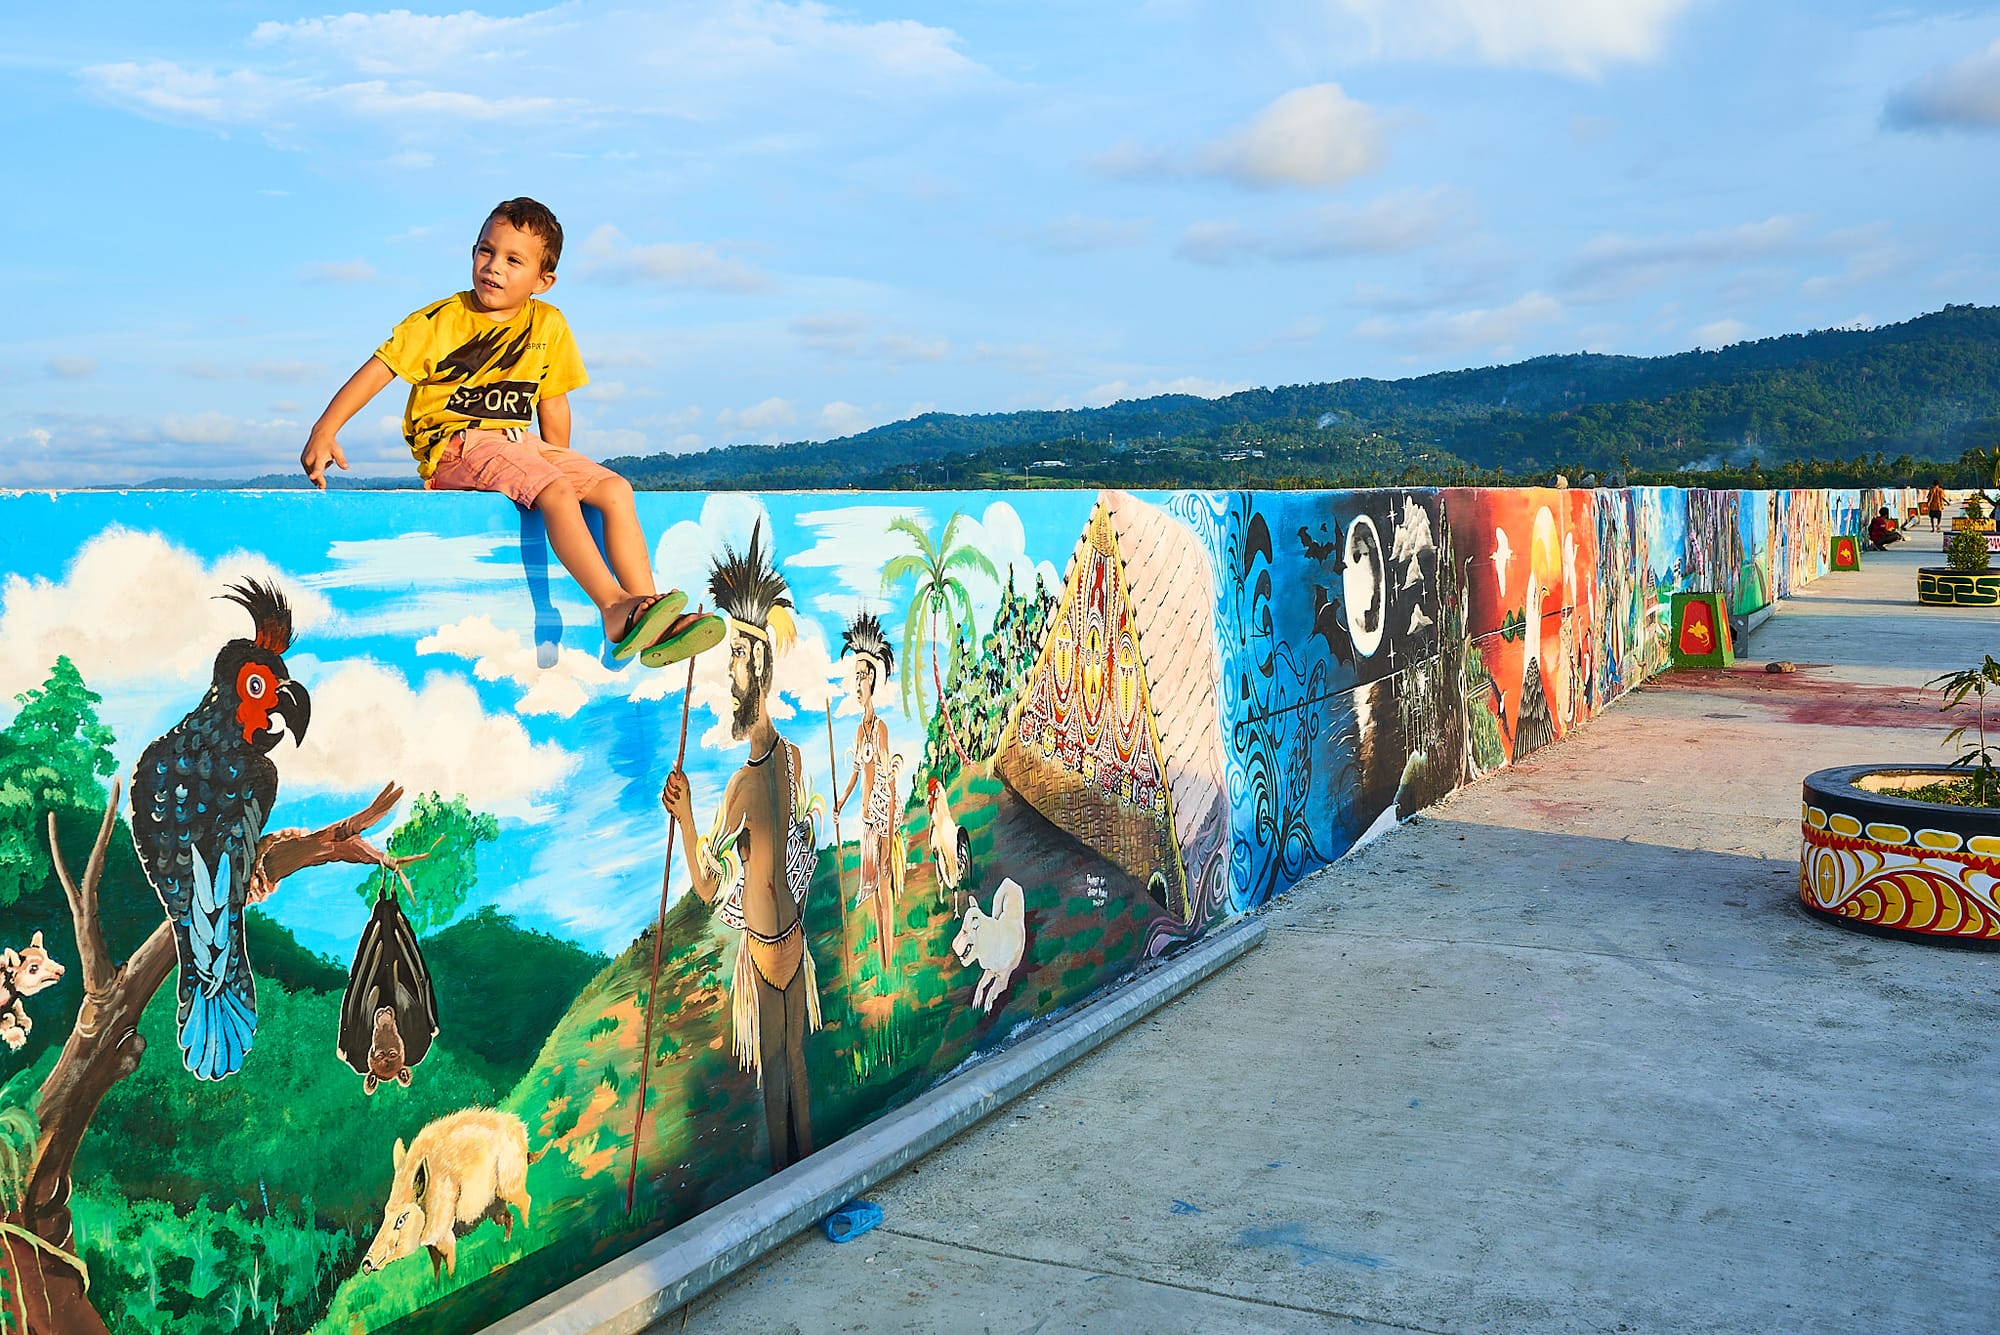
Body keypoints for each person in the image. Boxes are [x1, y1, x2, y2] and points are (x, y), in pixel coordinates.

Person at [299, 197, 719, 666]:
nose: (493, 267)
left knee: (614, 488)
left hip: (520, 445)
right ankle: (613, 607)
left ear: (544, 280)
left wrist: (557, 462)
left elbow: (552, 401)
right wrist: (326, 427)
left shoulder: (550, 324)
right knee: (555, 491)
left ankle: (647, 611)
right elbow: (380, 369)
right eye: (485, 251)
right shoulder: (438, 322)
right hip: (457, 445)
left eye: (512, 260)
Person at [662, 521, 821, 1172]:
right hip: (777, 947)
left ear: (756, 665)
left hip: (778, 950)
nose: (728, 674)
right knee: (785, 1075)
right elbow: (721, 881)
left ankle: (796, 1184)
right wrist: (692, 816)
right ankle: (800, 1182)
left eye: (734, 658)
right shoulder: (778, 766)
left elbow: (713, 884)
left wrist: (688, 816)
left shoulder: (764, 774)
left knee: (787, 1078)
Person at [835, 611, 903, 971]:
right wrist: (840, 804)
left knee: (884, 893)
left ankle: (889, 962)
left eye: (862, 675)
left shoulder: (880, 729)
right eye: (855, 675)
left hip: (880, 817)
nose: (857, 682)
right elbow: (855, 775)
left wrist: (890, 831)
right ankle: (883, 961)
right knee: (873, 891)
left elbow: (888, 782)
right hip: (864, 821)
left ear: (873, 680)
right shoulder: (860, 731)